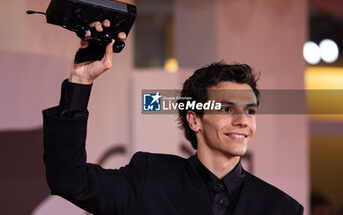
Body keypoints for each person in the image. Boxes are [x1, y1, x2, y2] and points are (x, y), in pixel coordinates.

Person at [42, 20, 304, 215]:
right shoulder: (149, 179)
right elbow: (69, 179)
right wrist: (80, 81)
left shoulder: (282, 208)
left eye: (250, 111)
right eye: (226, 109)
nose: (243, 121)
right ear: (194, 120)